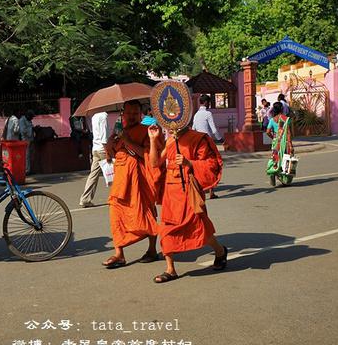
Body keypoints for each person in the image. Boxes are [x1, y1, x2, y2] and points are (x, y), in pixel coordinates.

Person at [148, 124, 227, 283]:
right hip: (171, 192)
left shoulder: (198, 138)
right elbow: (155, 163)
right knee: (166, 230)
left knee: (199, 228)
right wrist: (152, 139)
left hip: (188, 190)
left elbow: (211, 164)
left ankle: (219, 251)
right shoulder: (171, 140)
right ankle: (170, 269)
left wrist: (189, 163)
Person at [102, 100, 158, 269]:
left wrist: (127, 141)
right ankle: (119, 254)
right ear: (123, 114)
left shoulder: (146, 131)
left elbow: (148, 155)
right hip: (120, 182)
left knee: (145, 212)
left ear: (141, 114)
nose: (132, 116)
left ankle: (152, 249)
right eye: (129, 113)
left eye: (135, 113)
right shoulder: (119, 132)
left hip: (139, 181)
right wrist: (109, 147)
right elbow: (111, 157)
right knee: (116, 215)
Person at [192, 94, 223, 199]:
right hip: (207, 141)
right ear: (206, 103)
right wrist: (220, 139)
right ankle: (211, 191)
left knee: (200, 165)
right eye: (209, 103)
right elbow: (213, 129)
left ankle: (201, 188)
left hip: (197, 142)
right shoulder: (208, 114)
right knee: (212, 165)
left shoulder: (196, 115)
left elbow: (193, 129)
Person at [79, 111, 108, 208]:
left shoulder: (94, 116)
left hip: (95, 148)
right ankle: (119, 197)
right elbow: (104, 135)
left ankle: (85, 199)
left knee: (93, 175)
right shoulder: (104, 115)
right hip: (103, 149)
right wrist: (108, 151)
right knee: (113, 173)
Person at [266, 101, 294, 187]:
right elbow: (288, 133)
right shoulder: (285, 119)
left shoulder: (272, 120)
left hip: (275, 143)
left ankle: (272, 173)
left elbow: (267, 132)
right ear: (282, 109)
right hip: (284, 143)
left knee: (275, 159)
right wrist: (290, 145)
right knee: (284, 159)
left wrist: (274, 137)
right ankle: (284, 179)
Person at [19, 110, 35, 174]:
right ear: (28, 115)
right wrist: (31, 129)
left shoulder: (29, 120)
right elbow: (23, 131)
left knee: (28, 155)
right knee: (26, 156)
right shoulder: (22, 120)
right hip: (25, 140)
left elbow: (30, 127)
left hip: (29, 139)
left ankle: (28, 169)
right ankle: (26, 170)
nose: (32, 118)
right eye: (31, 117)